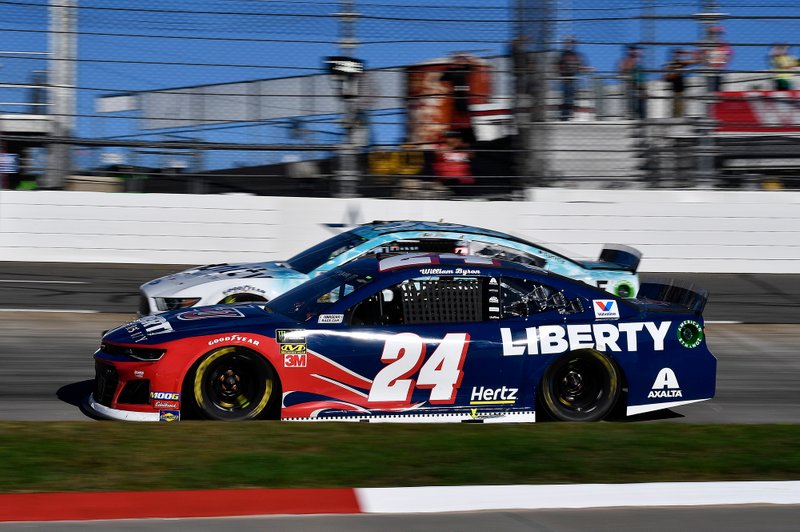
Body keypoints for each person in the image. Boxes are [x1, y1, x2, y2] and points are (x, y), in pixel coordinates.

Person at [555, 37, 592, 121]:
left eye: (571, 43)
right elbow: (557, 66)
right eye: (567, 43)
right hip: (565, 79)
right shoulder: (562, 55)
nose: (569, 45)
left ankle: (568, 115)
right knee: (566, 97)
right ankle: (564, 115)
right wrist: (561, 76)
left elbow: (579, 67)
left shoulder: (576, 55)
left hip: (573, 78)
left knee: (571, 97)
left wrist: (587, 68)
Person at [432, 131, 475, 196]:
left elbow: (472, 155)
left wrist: (462, 146)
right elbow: (438, 153)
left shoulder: (465, 149)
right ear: (446, 139)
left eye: (457, 138)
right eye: (451, 138)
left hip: (464, 180)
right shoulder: (442, 149)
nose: (455, 140)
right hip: (449, 180)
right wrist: (452, 147)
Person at [698, 25, 733, 93]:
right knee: (710, 89)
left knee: (719, 90)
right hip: (710, 70)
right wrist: (707, 63)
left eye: (718, 33)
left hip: (720, 70)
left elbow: (729, 54)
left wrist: (724, 63)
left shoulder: (723, 44)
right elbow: (701, 55)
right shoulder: (707, 44)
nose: (716, 35)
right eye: (713, 33)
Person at [663, 48, 695, 118]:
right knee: (676, 106)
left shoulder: (681, 63)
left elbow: (694, 61)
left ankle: (679, 118)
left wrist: (688, 52)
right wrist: (675, 74)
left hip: (681, 89)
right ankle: (676, 118)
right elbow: (667, 78)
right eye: (676, 54)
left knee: (681, 106)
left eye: (679, 54)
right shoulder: (671, 64)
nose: (678, 55)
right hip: (675, 89)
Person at [619, 45, 646, 119]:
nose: (634, 51)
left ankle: (641, 118)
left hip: (640, 84)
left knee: (641, 103)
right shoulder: (626, 61)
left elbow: (644, 74)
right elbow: (622, 72)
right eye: (631, 50)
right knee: (632, 101)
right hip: (631, 84)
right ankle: (632, 116)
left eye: (635, 50)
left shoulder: (640, 61)